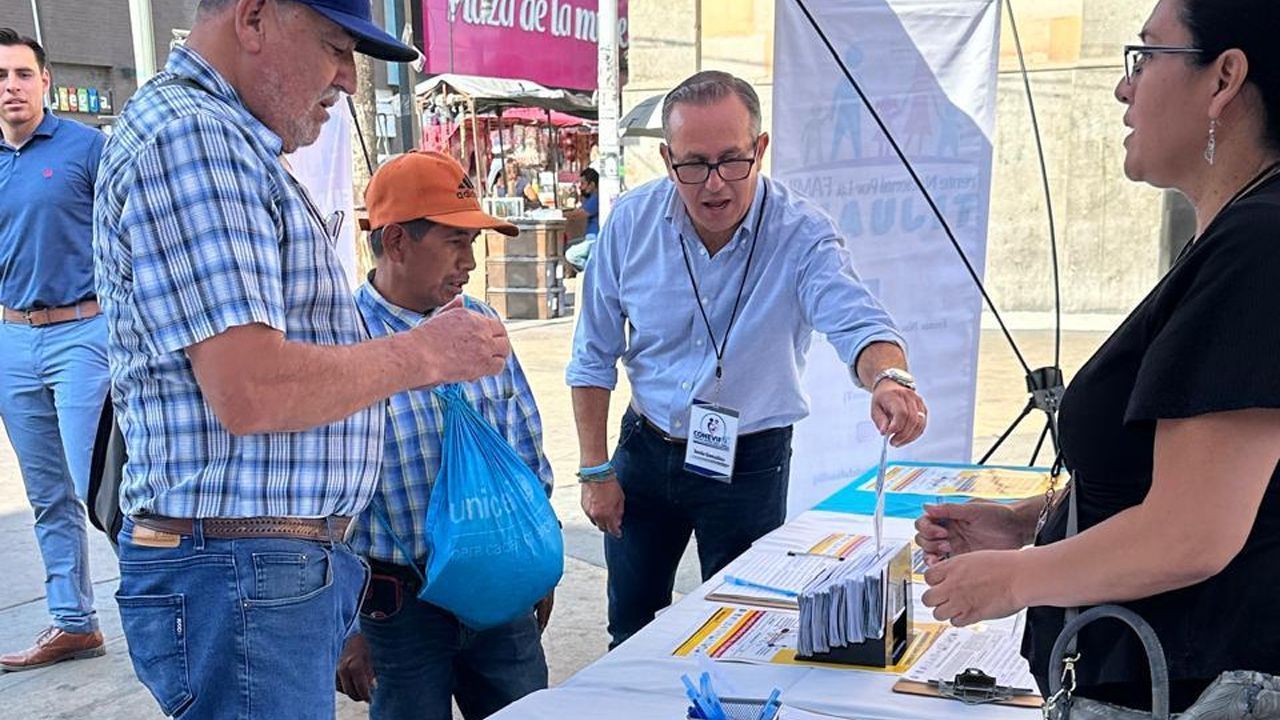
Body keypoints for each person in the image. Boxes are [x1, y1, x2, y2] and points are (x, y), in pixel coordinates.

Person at [92, 1, 510, 718]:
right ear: (254, 19)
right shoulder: (197, 138)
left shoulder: (215, 137)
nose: (348, 78)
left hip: (251, 567)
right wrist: (423, 352)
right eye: (335, 47)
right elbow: (253, 388)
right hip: (242, 567)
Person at [916, 0, 1280, 711]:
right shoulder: (1236, 238)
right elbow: (1186, 478)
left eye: (1147, 56)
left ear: (1224, 78)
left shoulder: (1258, 247)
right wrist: (1031, 521)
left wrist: (1015, 580)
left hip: (1191, 688)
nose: (1123, 86)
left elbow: (1192, 532)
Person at [566, 70, 929, 648]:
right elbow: (592, 355)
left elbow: (858, 320)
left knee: (742, 628)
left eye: (732, 161)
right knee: (630, 625)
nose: (714, 185)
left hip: (749, 462)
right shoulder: (631, 224)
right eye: (693, 164)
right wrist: (595, 470)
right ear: (666, 160)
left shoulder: (800, 233)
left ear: (760, 150)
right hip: (646, 448)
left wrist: (888, 378)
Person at [334, 150, 555, 720]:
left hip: (501, 583)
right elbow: (321, 506)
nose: (470, 262)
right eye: (455, 242)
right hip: (398, 609)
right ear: (397, 242)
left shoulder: (481, 325)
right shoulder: (343, 347)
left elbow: (525, 443)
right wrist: (345, 625)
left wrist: (538, 554)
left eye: (473, 242)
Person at [0, 27, 110, 672]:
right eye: (0, 77)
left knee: (101, 483)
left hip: (83, 333)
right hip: (12, 339)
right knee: (46, 493)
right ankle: (73, 622)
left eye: (22, 74)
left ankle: (159, 609)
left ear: (45, 80)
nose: (11, 87)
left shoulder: (87, 147)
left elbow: (127, 233)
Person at [565, 167, 600, 271]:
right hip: (589, 237)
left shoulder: (596, 198)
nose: (581, 187)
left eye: (583, 184)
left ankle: (593, 272)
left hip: (594, 238)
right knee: (568, 245)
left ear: (592, 185)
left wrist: (559, 214)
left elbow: (579, 214)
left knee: (571, 255)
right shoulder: (591, 198)